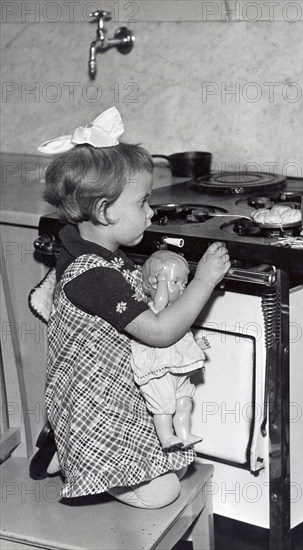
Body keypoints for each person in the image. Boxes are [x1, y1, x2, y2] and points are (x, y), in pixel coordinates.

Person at [31, 106, 230, 509]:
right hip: (100, 406)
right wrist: (205, 280)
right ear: (104, 211)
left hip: (104, 390)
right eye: (143, 202)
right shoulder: (95, 275)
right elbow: (159, 331)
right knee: (166, 491)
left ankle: (61, 449)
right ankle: (82, 462)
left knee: (171, 464)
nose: (152, 212)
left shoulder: (84, 245)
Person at [133, 250, 208, 451]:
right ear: (155, 283)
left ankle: (184, 433)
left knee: (185, 402)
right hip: (158, 369)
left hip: (177, 368)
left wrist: (197, 346)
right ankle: (166, 437)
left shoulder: (177, 315)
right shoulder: (152, 310)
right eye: (175, 282)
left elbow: (181, 340)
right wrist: (163, 282)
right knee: (164, 406)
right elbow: (160, 301)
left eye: (184, 284)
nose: (182, 289)